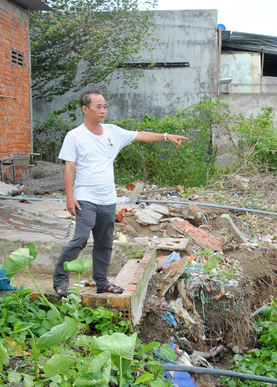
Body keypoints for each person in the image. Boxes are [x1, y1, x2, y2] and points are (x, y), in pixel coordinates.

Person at [52, 90, 188, 298]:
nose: (103, 110)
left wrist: (167, 136)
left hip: (108, 199)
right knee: (80, 238)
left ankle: (102, 282)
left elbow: (140, 135)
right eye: (98, 107)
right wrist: (70, 197)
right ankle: (60, 280)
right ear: (85, 109)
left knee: (105, 242)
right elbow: (69, 169)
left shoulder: (112, 132)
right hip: (85, 198)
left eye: (105, 106)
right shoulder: (75, 136)